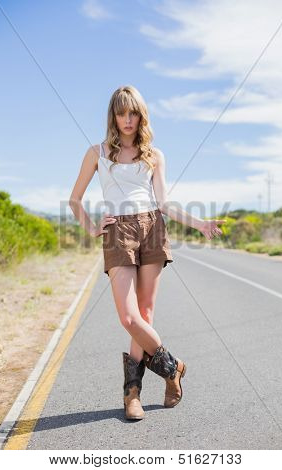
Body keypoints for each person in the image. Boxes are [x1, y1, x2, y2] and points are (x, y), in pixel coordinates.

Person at [69, 85, 226, 421]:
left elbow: (164, 203)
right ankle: (173, 368)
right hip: (118, 232)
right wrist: (92, 227)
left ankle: (132, 397)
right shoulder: (96, 152)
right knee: (128, 317)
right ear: (113, 115)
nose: (128, 119)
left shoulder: (154, 154)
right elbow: (75, 199)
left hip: (152, 227)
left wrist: (199, 224)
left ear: (141, 115)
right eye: (122, 112)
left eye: (134, 112)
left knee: (145, 311)